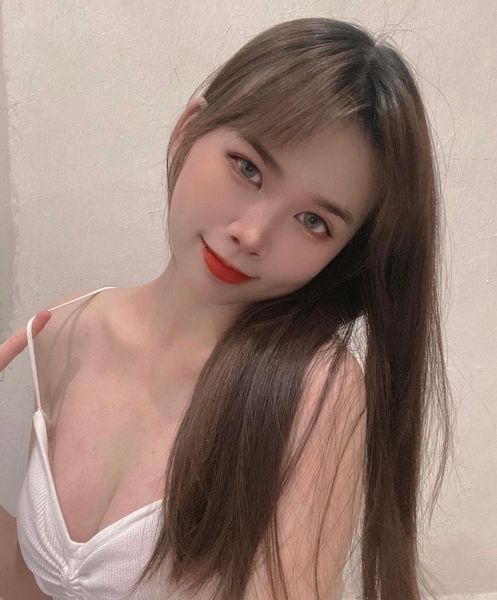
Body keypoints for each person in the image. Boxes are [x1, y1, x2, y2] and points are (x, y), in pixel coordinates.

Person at [5, 16, 454, 600]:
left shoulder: (311, 391)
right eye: (248, 168)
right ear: (187, 131)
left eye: (313, 221)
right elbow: (34, 586)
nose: (252, 234)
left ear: (343, 256)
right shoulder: (65, 327)